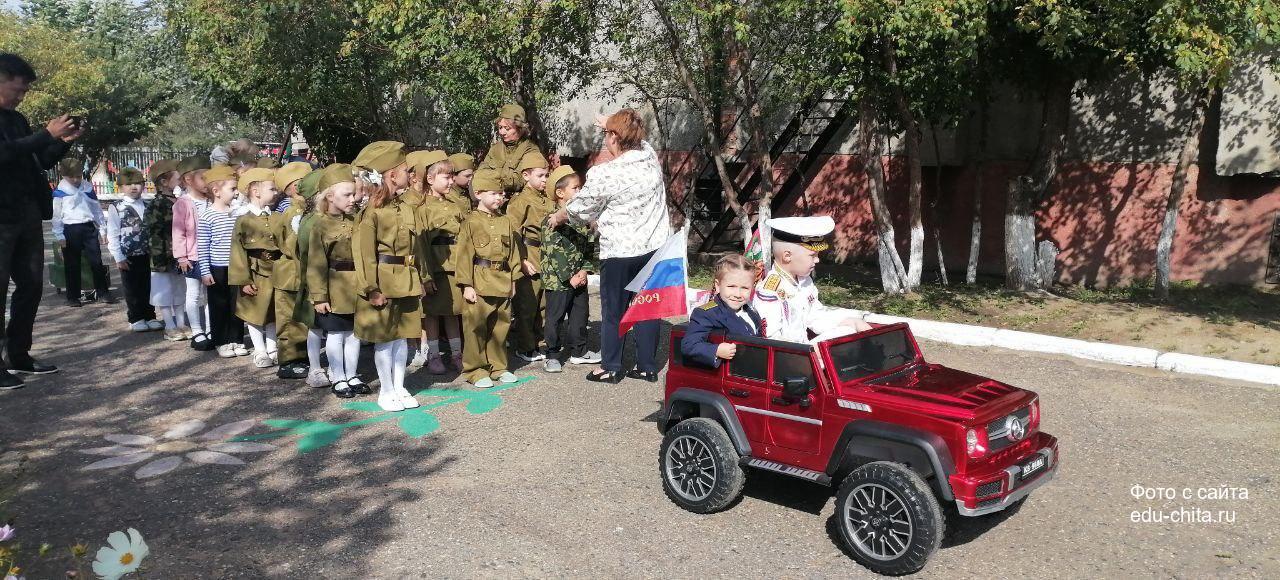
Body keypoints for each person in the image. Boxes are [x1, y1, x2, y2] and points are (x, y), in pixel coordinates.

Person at [546, 109, 671, 384]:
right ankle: (647, 367)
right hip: (654, 247)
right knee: (648, 306)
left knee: (614, 309)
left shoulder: (604, 173)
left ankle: (611, 367)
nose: (605, 139)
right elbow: (640, 141)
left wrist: (558, 216)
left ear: (614, 136)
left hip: (620, 251)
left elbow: (580, 209)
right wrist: (612, 124)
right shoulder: (650, 157)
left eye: (607, 134)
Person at [0, 52, 79, 388]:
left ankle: (18, 354)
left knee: (32, 285)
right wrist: (45, 134)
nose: (21, 96)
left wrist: (61, 143)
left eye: (25, 91)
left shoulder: (17, 120)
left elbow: (36, 160)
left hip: (27, 213)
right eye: (18, 89)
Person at [351, 141, 422, 411]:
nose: (410, 174)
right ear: (392, 175)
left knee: (402, 337)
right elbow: (364, 254)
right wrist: (371, 288)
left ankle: (400, 386)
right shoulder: (371, 212)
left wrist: (420, 277)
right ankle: (386, 390)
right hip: (383, 281)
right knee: (384, 339)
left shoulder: (404, 206)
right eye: (405, 170)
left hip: (406, 278)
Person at [751, 216, 872, 343]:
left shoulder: (804, 281)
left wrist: (852, 322)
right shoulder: (770, 291)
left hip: (804, 348)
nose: (817, 260)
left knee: (848, 330)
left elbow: (816, 317)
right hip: (789, 352)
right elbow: (772, 339)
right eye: (812, 255)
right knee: (846, 333)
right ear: (787, 256)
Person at [455, 169, 522, 388]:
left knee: (500, 327)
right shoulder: (471, 222)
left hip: (502, 280)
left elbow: (513, 254)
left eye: (501, 193)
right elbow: (464, 255)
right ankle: (475, 370)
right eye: (493, 193)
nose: (499, 198)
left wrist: (513, 281)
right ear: (479, 194)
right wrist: (466, 285)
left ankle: (498, 367)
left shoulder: (506, 222)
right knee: (475, 328)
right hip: (480, 282)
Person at [307, 164, 363, 398]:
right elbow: (316, 262)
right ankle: (338, 376)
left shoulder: (356, 219)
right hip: (334, 286)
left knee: (354, 334)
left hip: (356, 284)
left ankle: (352, 374)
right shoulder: (319, 224)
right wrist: (319, 296)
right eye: (347, 194)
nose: (353, 199)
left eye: (354, 194)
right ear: (330, 197)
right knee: (336, 333)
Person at [538, 165, 599, 373]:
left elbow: (589, 245)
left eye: (580, 187)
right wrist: (569, 277)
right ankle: (552, 354)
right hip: (559, 281)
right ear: (560, 193)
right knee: (554, 318)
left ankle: (579, 351)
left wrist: (584, 270)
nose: (580, 191)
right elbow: (553, 252)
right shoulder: (551, 220)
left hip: (578, 277)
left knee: (580, 315)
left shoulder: (581, 219)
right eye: (575, 188)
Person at [410, 150, 464, 374]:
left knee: (453, 312)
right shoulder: (422, 210)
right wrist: (426, 276)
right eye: (446, 177)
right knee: (432, 314)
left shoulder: (455, 206)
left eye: (452, 177)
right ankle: (433, 355)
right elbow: (421, 245)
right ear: (430, 179)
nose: (451, 181)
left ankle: (457, 354)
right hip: (436, 268)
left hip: (455, 267)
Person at [229, 168, 281, 368]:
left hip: (276, 272)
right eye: (272, 189)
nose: (276, 192)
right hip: (254, 274)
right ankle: (259, 350)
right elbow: (237, 251)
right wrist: (243, 280)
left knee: (273, 311)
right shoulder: (244, 220)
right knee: (254, 313)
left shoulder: (276, 217)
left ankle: (273, 348)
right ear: (256, 191)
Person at [506, 151, 553, 363]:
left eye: (546, 175)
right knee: (527, 305)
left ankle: (537, 342)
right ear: (526, 175)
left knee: (542, 304)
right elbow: (513, 233)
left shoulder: (546, 199)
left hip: (546, 256)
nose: (545, 180)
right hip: (529, 255)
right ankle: (525, 347)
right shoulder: (520, 201)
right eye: (540, 175)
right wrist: (521, 261)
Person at [269, 161, 313, 380]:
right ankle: (289, 361)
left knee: (302, 319)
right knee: (290, 320)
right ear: (296, 186)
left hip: (299, 271)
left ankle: (302, 357)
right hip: (291, 272)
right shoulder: (294, 212)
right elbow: (291, 244)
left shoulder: (305, 209)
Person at [197, 165, 247, 358]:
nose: (236, 193)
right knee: (219, 305)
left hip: (236, 267)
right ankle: (221, 340)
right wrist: (205, 271)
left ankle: (237, 339)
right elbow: (202, 246)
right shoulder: (207, 216)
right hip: (217, 268)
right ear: (216, 191)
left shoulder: (237, 213)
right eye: (232, 189)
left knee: (237, 305)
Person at [52, 157, 115, 307]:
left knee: (96, 261)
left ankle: (102, 292)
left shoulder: (87, 187)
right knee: (72, 264)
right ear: (64, 176)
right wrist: (59, 234)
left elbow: (96, 209)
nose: (75, 180)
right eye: (71, 177)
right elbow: (56, 214)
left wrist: (102, 229)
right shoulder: (60, 191)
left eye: (78, 176)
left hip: (88, 228)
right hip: (70, 229)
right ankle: (72, 296)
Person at [681, 254, 764, 368]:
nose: (738, 294)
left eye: (745, 288)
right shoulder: (706, 314)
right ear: (718, 285)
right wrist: (716, 350)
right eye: (731, 286)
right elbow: (689, 345)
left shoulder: (750, 310)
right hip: (729, 372)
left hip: (754, 368)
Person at [106, 167, 161, 332]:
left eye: (137, 183)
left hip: (148, 253)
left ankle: (150, 315)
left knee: (149, 285)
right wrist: (118, 256)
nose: (133, 187)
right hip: (128, 255)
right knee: (132, 287)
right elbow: (113, 233)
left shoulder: (148, 204)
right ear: (121, 187)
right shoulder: (116, 207)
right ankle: (136, 317)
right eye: (128, 184)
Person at [293, 169, 331, 388]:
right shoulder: (311, 222)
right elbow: (307, 255)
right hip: (314, 281)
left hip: (331, 281)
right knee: (315, 326)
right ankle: (315, 368)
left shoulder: (325, 218)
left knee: (332, 327)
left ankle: (335, 367)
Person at [144, 158, 188, 337]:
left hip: (179, 253)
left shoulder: (179, 201)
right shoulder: (157, 204)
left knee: (179, 289)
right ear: (164, 182)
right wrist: (160, 255)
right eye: (177, 177)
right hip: (162, 254)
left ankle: (181, 323)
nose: (180, 179)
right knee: (163, 290)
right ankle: (169, 325)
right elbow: (154, 232)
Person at [173, 154, 212, 347]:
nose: (208, 182)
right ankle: (197, 330)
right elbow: (178, 232)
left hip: (211, 255)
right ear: (188, 179)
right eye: (203, 177)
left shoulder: (212, 200)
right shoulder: (183, 203)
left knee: (210, 295)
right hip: (193, 256)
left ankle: (211, 328)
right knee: (194, 294)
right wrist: (181, 256)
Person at [477, 104, 540, 195]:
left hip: (518, 199)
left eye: (507, 128)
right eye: (500, 127)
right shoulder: (496, 149)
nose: (502, 132)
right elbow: (482, 170)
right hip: (494, 196)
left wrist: (494, 180)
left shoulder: (530, 150)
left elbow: (521, 180)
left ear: (520, 128)